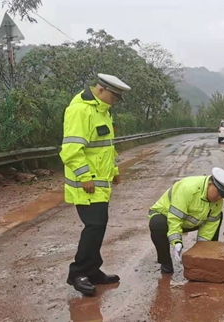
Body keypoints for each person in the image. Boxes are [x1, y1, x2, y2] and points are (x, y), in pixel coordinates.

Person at [60, 73, 131, 296]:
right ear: (101, 90)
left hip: (100, 184)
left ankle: (92, 271)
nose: (115, 101)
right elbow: (71, 150)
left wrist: (115, 171)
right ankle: (78, 273)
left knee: (99, 225)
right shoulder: (80, 110)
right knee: (94, 226)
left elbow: (106, 148)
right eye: (114, 96)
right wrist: (84, 177)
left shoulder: (102, 112)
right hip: (86, 184)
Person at [148, 167, 224, 273]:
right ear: (210, 184)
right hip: (167, 216)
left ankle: (210, 256)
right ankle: (166, 263)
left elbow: (210, 225)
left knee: (218, 217)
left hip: (189, 221)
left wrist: (201, 249)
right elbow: (175, 218)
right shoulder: (187, 188)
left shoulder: (217, 201)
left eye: (222, 196)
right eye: (218, 193)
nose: (219, 198)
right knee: (157, 224)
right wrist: (176, 241)